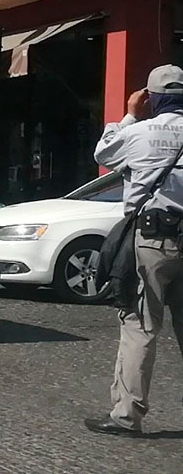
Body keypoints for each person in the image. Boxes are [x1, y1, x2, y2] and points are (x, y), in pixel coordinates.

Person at [86, 64, 183, 436]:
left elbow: (102, 153)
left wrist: (129, 112)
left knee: (140, 325)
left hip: (153, 242)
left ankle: (127, 415)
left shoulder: (140, 132)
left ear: (153, 99)